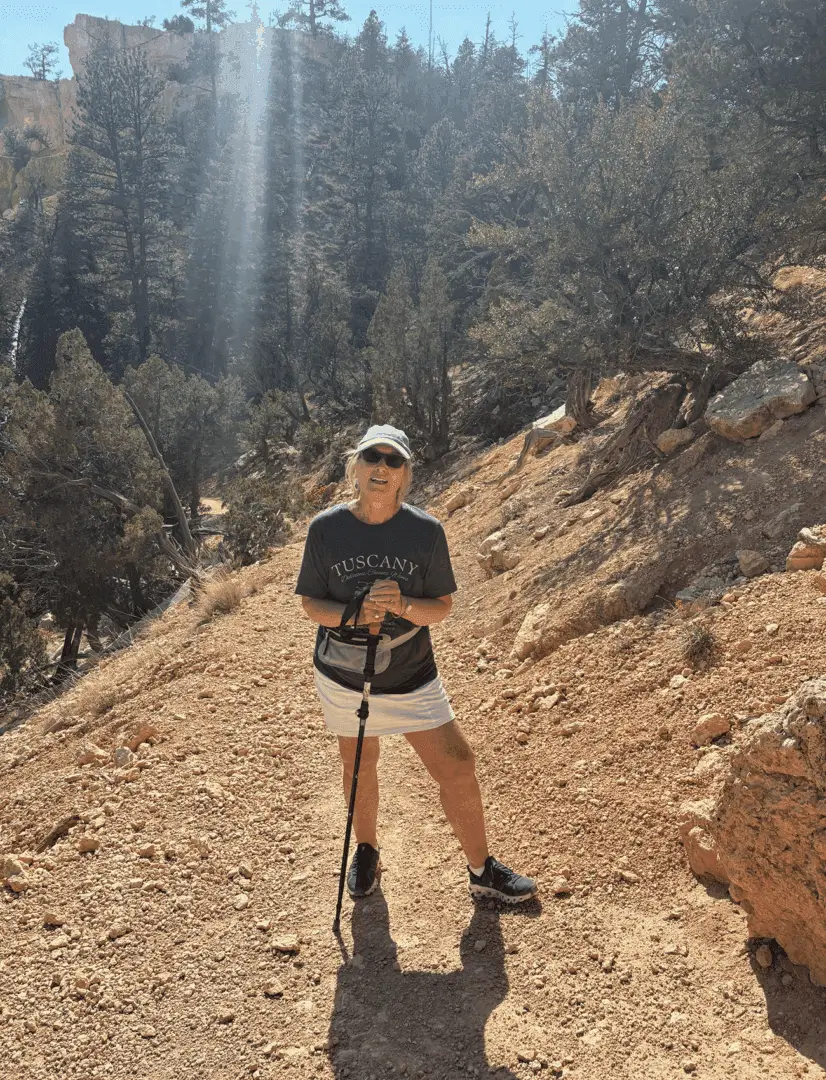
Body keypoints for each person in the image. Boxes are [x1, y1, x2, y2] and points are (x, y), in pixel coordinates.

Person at [295, 423, 537, 905]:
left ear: (405, 474)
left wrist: (403, 605)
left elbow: (442, 607)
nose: (381, 468)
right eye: (372, 458)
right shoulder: (326, 529)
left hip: (411, 674)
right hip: (345, 675)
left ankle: (481, 869)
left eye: (393, 460)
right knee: (359, 763)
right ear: (356, 468)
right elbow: (310, 604)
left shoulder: (425, 532)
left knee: (457, 764)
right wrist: (353, 613)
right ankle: (366, 850)